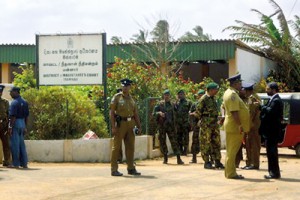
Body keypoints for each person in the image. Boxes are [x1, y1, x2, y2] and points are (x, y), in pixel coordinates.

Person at [110, 79, 142, 176]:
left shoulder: (132, 99)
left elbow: (135, 114)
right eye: (123, 85)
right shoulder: (117, 97)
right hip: (120, 124)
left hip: (131, 124)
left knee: (130, 147)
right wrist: (113, 127)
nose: (125, 87)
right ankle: (114, 169)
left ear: (130, 87)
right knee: (116, 147)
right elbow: (111, 112)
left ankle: (131, 168)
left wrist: (139, 126)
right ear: (121, 87)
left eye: (127, 86)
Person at [222, 74, 250, 179]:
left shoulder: (229, 93)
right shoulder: (232, 95)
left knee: (231, 151)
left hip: (232, 126)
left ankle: (230, 172)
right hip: (234, 127)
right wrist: (240, 125)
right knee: (232, 151)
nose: (241, 85)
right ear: (235, 84)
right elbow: (234, 112)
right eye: (240, 83)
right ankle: (231, 173)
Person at [196, 83, 224, 169]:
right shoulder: (203, 99)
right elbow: (198, 112)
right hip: (206, 124)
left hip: (214, 124)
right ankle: (207, 162)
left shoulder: (213, 99)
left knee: (216, 142)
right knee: (206, 143)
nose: (217, 91)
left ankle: (217, 161)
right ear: (211, 90)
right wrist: (203, 121)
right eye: (216, 89)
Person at [153, 89, 184, 165]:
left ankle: (178, 158)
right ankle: (165, 157)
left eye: (168, 95)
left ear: (170, 96)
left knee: (174, 142)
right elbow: (153, 113)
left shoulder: (173, 104)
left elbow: (178, 113)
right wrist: (159, 113)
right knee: (162, 142)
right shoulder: (159, 104)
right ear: (163, 96)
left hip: (171, 126)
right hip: (162, 126)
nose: (166, 96)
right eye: (165, 95)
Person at [259, 82, 283, 179]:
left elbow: (270, 112)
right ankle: (273, 172)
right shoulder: (273, 99)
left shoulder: (276, 100)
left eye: (268, 89)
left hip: (272, 131)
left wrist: (261, 107)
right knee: (270, 152)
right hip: (270, 131)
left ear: (273, 90)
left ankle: (274, 173)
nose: (266, 91)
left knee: (272, 153)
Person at [7, 87, 29, 168]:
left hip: (16, 123)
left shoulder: (14, 103)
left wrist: (10, 127)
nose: (10, 93)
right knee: (21, 144)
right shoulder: (25, 102)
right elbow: (27, 116)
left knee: (15, 144)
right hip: (22, 123)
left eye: (11, 92)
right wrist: (25, 127)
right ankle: (24, 163)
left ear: (16, 92)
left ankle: (15, 163)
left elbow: (13, 117)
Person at [241, 83, 261, 170]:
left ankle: (254, 163)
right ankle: (249, 163)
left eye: (244, 90)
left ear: (247, 90)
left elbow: (251, 113)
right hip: (252, 126)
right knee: (249, 145)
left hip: (253, 126)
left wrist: (246, 125)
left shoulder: (252, 98)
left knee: (254, 146)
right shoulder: (254, 97)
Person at [189, 89, 205, 163]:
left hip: (205, 124)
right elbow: (190, 113)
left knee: (206, 141)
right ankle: (194, 157)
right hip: (196, 125)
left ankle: (208, 159)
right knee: (195, 140)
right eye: (200, 95)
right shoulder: (194, 104)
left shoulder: (206, 104)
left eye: (202, 95)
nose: (201, 96)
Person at [174, 90, 192, 156]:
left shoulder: (188, 102)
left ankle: (185, 150)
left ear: (184, 95)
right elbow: (174, 112)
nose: (180, 95)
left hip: (185, 122)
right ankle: (180, 150)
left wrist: (190, 122)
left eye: (181, 94)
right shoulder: (176, 103)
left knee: (186, 137)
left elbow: (191, 111)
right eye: (179, 94)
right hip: (178, 123)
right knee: (179, 137)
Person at [0, 85, 11, 167]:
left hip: (3, 125)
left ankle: (6, 161)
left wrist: (8, 126)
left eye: (1, 91)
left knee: (6, 144)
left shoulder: (5, 102)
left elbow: (8, 114)